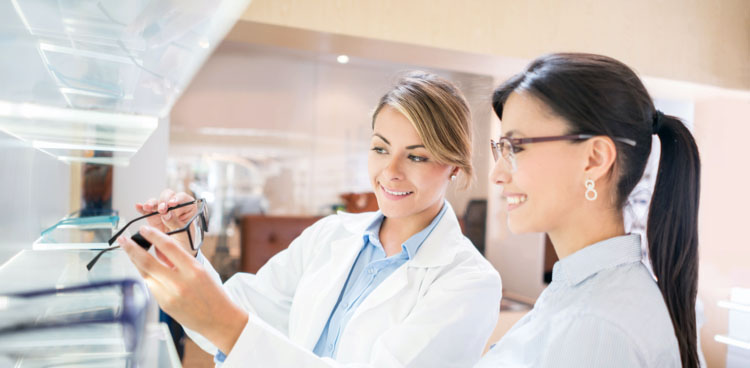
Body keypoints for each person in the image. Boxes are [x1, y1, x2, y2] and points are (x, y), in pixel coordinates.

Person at [119, 71, 502, 367]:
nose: (391, 171)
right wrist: (187, 252)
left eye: (416, 156)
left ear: (454, 166)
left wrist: (228, 326)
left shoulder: (469, 283)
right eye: (380, 148)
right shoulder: (331, 234)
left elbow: (229, 326)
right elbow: (233, 315)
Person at [476, 53, 700, 367]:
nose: (497, 174)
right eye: (500, 148)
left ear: (594, 159)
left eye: (516, 147)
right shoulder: (584, 294)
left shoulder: (594, 326)